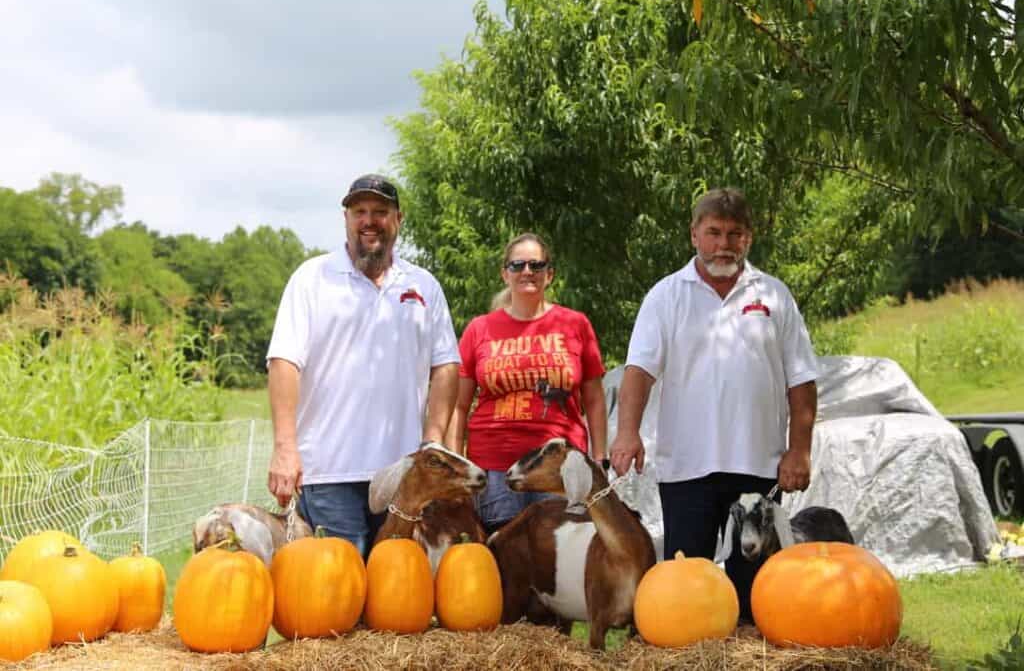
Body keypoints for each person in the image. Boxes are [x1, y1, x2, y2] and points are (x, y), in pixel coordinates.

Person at [609, 187, 818, 622]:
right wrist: (627, 432)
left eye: (734, 234)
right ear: (694, 235)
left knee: (756, 592)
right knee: (689, 591)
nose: (723, 244)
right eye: (714, 232)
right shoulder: (666, 296)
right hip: (688, 467)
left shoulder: (775, 295)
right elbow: (639, 372)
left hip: (758, 466)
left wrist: (799, 450)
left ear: (749, 238)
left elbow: (801, 380)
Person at [265, 173, 460, 558]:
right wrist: (285, 448)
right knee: (341, 590)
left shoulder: (424, 285)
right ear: (346, 219)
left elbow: (446, 366)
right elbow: (284, 362)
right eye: (360, 211)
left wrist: (434, 439)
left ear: (398, 220)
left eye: (380, 211)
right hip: (329, 471)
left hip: (403, 473)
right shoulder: (312, 279)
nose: (369, 220)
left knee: (398, 591)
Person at [444, 233, 608, 533]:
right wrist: (457, 468)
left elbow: (595, 400)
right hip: (495, 468)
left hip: (561, 465)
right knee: (505, 564)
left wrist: (600, 459)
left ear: (550, 274)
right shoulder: (479, 329)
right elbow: (459, 406)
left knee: (563, 562)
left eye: (536, 264)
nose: (527, 271)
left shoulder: (576, 324)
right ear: (505, 273)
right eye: (517, 265)